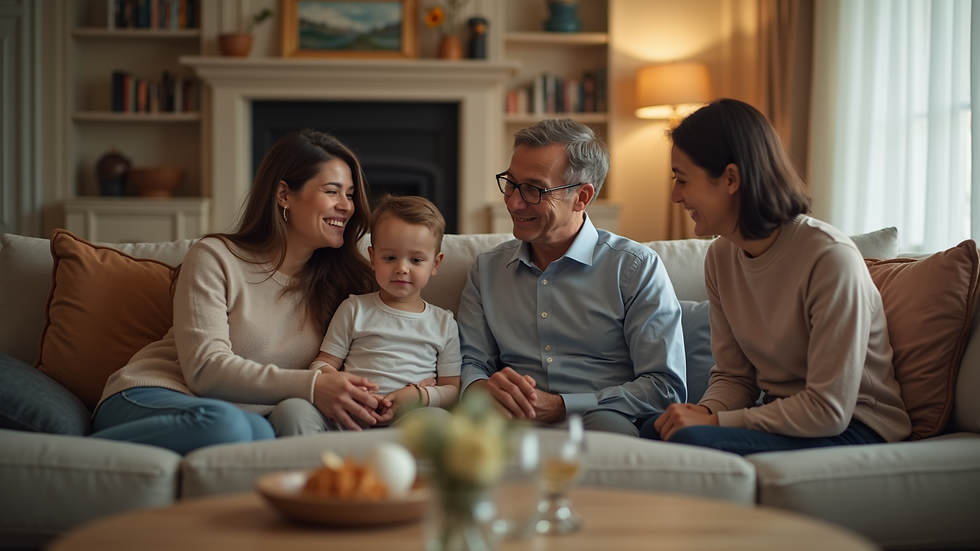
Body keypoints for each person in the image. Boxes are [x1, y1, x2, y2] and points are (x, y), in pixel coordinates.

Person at [91, 128, 385, 455]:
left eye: (350, 194)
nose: (347, 206)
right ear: (284, 194)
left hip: (242, 423)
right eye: (333, 191)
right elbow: (204, 370)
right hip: (153, 397)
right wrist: (313, 386)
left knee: (257, 432)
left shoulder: (346, 286)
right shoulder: (216, 257)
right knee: (230, 425)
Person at [641, 99, 911, 454]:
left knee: (689, 438)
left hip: (856, 425)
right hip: (782, 416)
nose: (676, 196)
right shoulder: (721, 258)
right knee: (654, 427)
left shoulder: (830, 258)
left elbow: (829, 410)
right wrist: (703, 411)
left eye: (682, 180)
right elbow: (734, 377)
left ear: (731, 179)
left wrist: (714, 423)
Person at [457, 118, 687, 437]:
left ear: (582, 197)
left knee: (604, 435)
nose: (513, 202)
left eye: (534, 189)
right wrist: (481, 389)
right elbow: (471, 362)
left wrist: (565, 405)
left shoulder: (635, 268)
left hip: (604, 420)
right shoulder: (486, 271)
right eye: (510, 183)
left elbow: (665, 387)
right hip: (508, 424)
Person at [304, 194, 461, 431]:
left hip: (408, 419)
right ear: (372, 258)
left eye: (416, 260)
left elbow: (452, 390)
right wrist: (340, 384)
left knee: (443, 424)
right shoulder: (354, 308)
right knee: (293, 410)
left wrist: (420, 396)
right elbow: (323, 363)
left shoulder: (444, 323)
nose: (401, 268)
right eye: (389, 257)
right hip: (348, 411)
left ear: (435, 264)